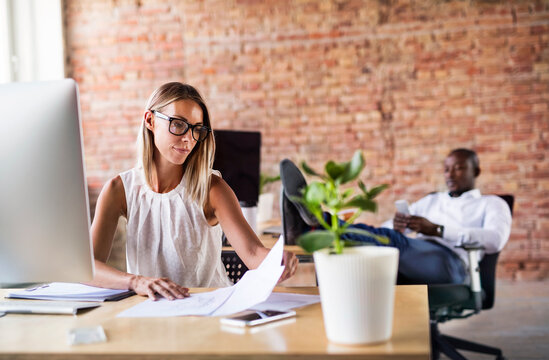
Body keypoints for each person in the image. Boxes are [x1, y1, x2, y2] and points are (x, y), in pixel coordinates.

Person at [89, 82, 298, 300]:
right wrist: (136, 281)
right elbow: (88, 267)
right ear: (150, 120)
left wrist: (278, 260)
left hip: (209, 308)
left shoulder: (212, 189)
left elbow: (253, 253)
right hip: (151, 312)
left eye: (197, 129)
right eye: (178, 124)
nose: (189, 138)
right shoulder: (118, 190)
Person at [283, 148, 512, 285]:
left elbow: (495, 240)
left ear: (476, 171)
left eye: (458, 168)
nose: (450, 174)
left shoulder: (492, 204)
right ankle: (311, 226)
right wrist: (396, 224)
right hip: (413, 252)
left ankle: (313, 225)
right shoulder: (432, 200)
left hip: (454, 265)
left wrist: (438, 230)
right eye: (446, 169)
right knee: (376, 238)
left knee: (393, 243)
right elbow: (385, 232)